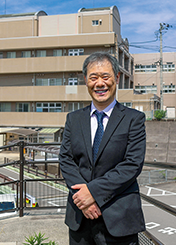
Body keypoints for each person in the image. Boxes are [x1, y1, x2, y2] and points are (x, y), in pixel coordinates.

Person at [59, 52, 146, 245]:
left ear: (116, 78)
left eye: (105, 77)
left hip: (119, 217)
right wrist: (82, 199)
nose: (100, 84)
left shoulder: (134, 119)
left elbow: (132, 165)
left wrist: (92, 193)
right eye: (93, 78)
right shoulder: (74, 119)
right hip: (79, 218)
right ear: (85, 81)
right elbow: (66, 160)